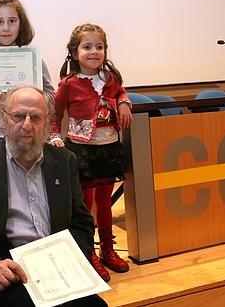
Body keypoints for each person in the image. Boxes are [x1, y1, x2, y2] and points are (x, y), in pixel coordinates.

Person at [0, 86, 107, 306]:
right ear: (4, 119)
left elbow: (82, 223)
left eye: (36, 117)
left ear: (48, 122)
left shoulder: (64, 161)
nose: (27, 125)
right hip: (7, 271)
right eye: (19, 116)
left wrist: (71, 259)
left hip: (58, 271)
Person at [49, 23, 133, 281]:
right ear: (75, 53)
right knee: (85, 205)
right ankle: (88, 252)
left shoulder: (111, 79)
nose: (94, 51)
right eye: (87, 47)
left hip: (107, 148)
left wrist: (124, 102)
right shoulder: (69, 84)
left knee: (105, 201)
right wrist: (54, 135)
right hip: (81, 150)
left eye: (99, 47)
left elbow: (120, 92)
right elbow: (56, 112)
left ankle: (108, 248)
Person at [0, 0, 55, 145]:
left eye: (12, 21)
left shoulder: (33, 58)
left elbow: (50, 93)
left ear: (21, 24)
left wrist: (34, 101)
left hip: (28, 133)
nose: (6, 28)